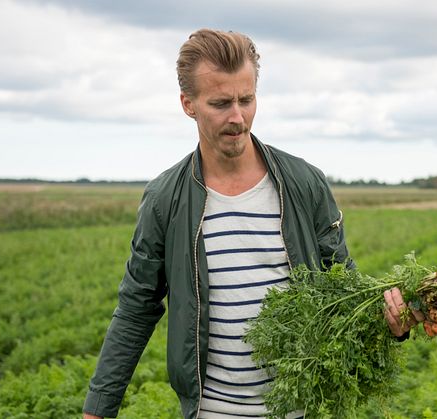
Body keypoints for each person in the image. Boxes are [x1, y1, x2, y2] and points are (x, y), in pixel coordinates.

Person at [82, 29, 418, 419]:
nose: (238, 117)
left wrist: (394, 322)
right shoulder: (166, 199)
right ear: (188, 104)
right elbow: (137, 306)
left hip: (295, 408)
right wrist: (98, 409)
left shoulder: (303, 182)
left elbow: (345, 287)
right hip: (212, 411)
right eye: (221, 103)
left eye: (247, 99)